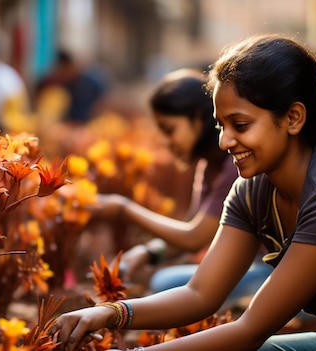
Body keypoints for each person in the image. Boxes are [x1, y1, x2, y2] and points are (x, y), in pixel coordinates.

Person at [49, 34, 316, 351]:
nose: (226, 141)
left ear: (293, 118)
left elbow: (250, 330)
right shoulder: (251, 191)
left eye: (240, 125)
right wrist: (110, 313)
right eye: (220, 125)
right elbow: (200, 294)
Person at [91, 68, 271, 308]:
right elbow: (190, 231)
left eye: (169, 130)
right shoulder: (209, 166)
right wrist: (148, 252)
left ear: (197, 120)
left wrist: (124, 209)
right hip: (255, 268)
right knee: (166, 283)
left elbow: (194, 237)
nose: (165, 142)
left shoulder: (234, 165)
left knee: (166, 285)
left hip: (272, 272)